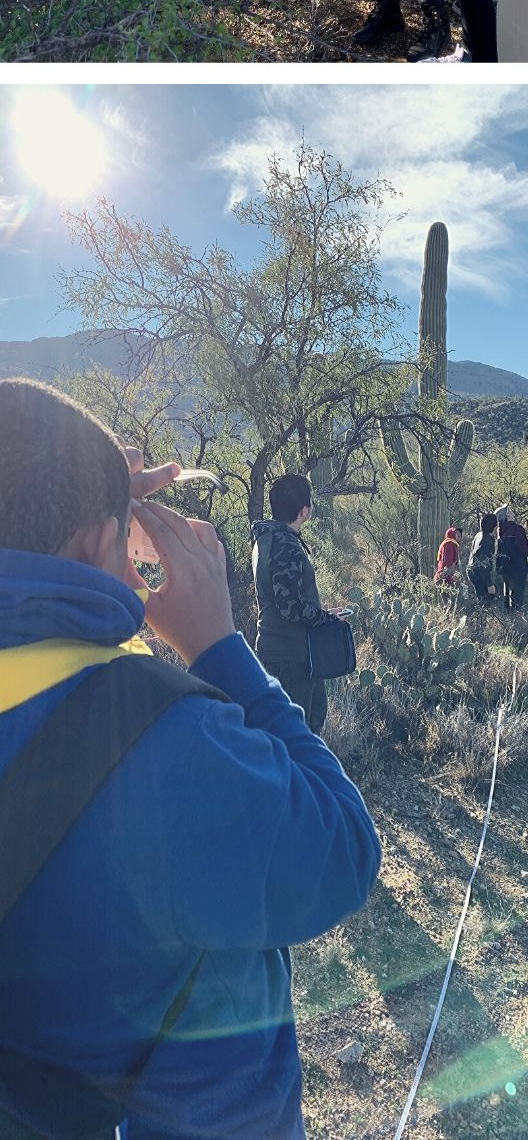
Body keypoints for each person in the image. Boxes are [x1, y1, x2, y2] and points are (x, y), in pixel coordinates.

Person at [0, 380, 379, 1136]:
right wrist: (217, 646)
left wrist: (93, 492)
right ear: (94, 543)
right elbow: (342, 850)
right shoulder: (162, 746)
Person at [249, 472, 351, 736]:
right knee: (298, 735)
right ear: (304, 511)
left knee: (295, 729)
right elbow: (291, 608)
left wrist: (323, 613)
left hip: (284, 650)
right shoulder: (285, 545)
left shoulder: (266, 538)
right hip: (291, 656)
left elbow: (284, 600)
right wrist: (327, 619)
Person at [493, 503, 528, 610]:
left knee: (507, 594)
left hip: (506, 569)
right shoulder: (517, 529)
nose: (510, 511)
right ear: (507, 516)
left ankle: (508, 619)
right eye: (508, 511)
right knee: (517, 597)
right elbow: (525, 550)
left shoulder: (500, 531)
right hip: (518, 568)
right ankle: (517, 620)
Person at [464, 511, 498, 605]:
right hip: (478, 573)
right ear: (494, 526)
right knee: (485, 601)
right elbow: (483, 565)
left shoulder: (479, 535)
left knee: (481, 599)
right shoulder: (487, 542)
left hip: (472, 571)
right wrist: (489, 584)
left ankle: (481, 616)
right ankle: (482, 618)